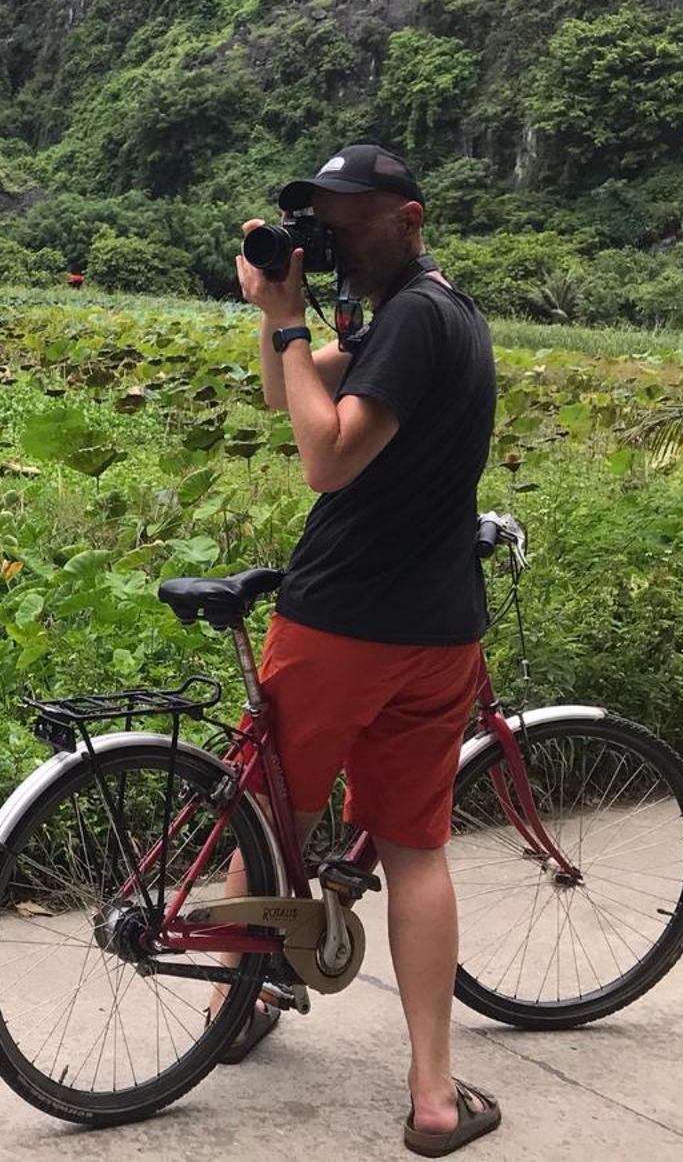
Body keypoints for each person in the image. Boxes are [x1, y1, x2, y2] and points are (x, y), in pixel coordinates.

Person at [224, 143, 501, 1156]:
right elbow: (281, 395)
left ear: (408, 216)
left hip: (341, 622)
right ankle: (434, 1098)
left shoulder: (414, 321)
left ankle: (233, 1003)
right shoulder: (434, 317)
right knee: (412, 849)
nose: (331, 231)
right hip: (434, 633)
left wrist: (292, 320)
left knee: (267, 818)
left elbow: (324, 457)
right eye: (319, 218)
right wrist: (274, 317)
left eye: (349, 216)